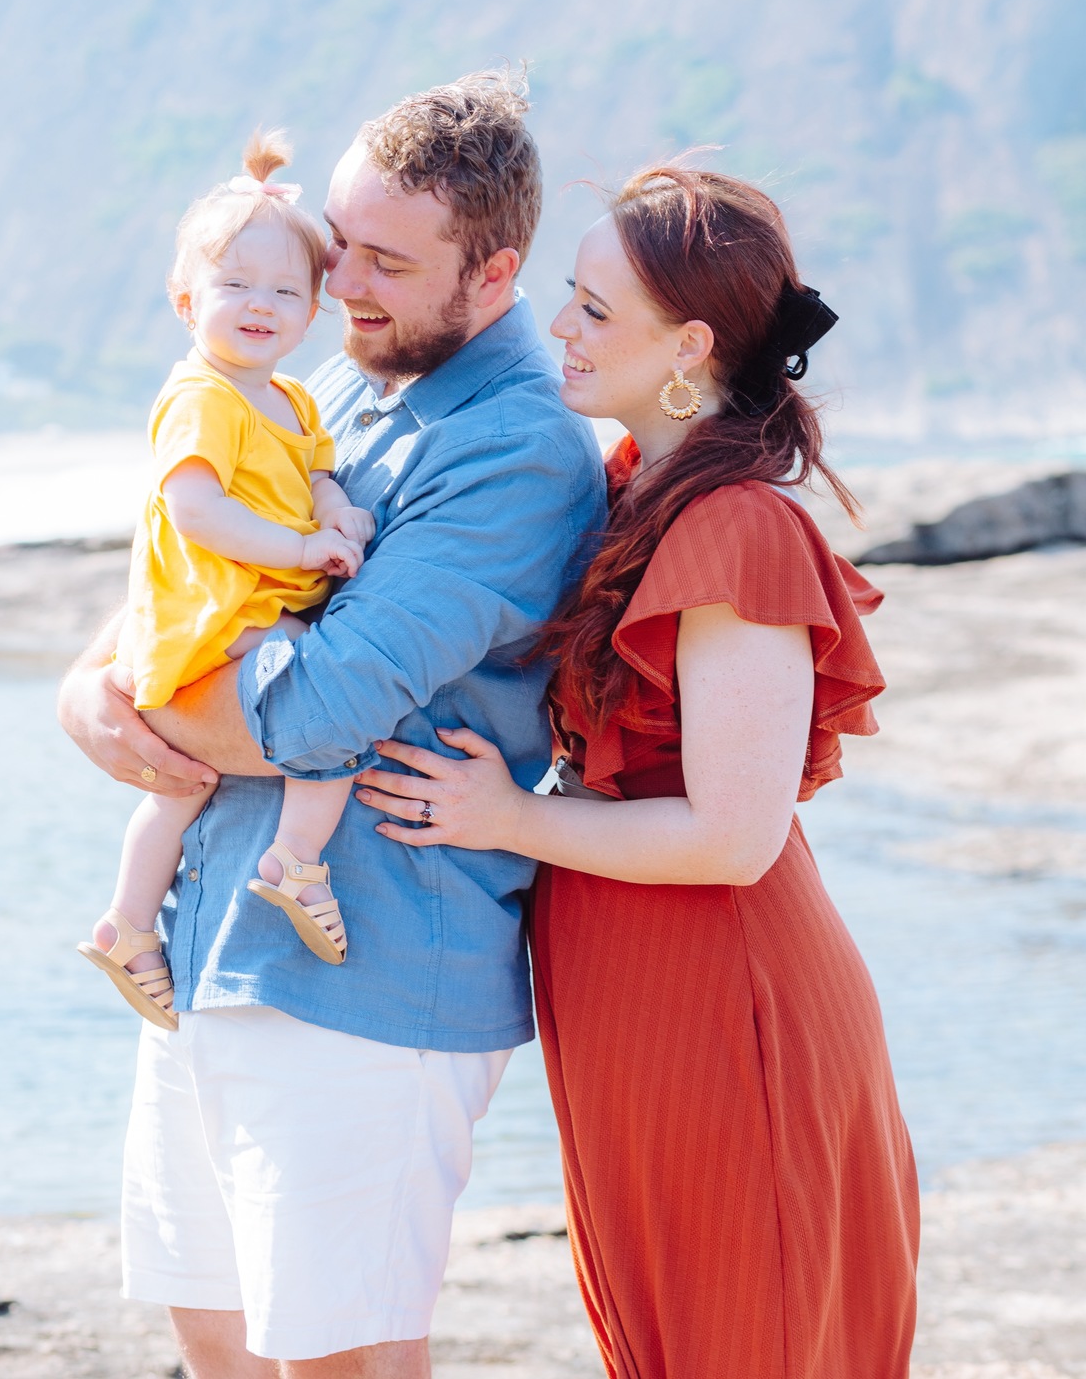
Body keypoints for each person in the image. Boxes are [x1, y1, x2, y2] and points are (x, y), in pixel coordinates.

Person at [57, 72, 607, 1378]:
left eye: (385, 263)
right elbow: (189, 583)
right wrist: (89, 686)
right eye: (338, 246)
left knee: (338, 1363)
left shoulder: (518, 448)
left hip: (368, 976)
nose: (338, 285)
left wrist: (149, 699)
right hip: (218, 946)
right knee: (217, 1342)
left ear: (493, 273)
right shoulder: (351, 380)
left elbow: (319, 708)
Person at [356, 165, 921, 1379]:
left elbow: (732, 837)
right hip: (628, 990)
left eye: (596, 310)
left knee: (744, 1333)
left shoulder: (737, 530)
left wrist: (504, 815)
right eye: (571, 296)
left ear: (692, 345)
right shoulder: (627, 492)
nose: (560, 325)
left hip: (725, 995)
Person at [80, 134, 376, 1026]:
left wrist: (338, 512)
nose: (261, 305)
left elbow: (318, 469)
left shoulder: (292, 399)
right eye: (236, 286)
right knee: (331, 707)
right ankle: (293, 860)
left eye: (287, 291)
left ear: (315, 308)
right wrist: (299, 551)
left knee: (185, 783)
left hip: (246, 610)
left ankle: (129, 924)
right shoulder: (200, 398)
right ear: (185, 301)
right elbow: (198, 511)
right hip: (217, 617)